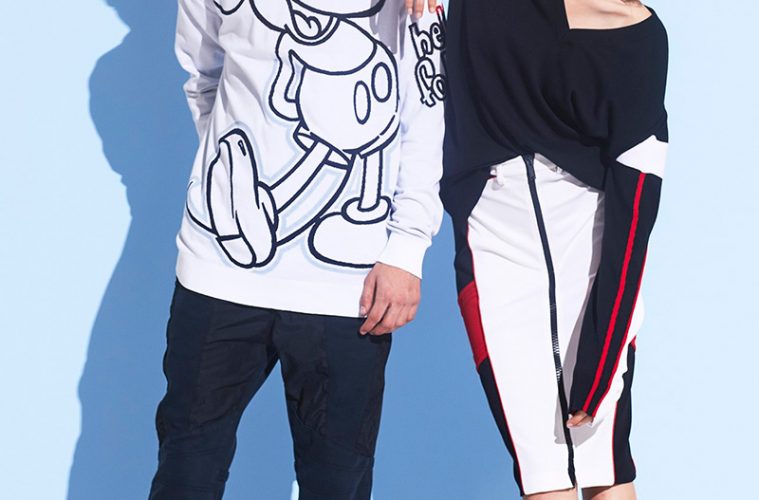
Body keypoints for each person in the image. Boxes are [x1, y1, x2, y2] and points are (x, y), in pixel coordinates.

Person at [148, 1, 444, 499]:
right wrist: (230, 185)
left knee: (337, 481)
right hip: (218, 270)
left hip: (349, 284)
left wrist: (407, 247)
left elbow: (425, 115)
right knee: (185, 470)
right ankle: (246, 208)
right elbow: (203, 75)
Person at [443, 0, 669, 499]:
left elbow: (635, 211)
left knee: (605, 460)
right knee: (542, 466)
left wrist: (602, 356)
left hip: (587, 251)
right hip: (496, 242)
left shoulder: (640, 36)